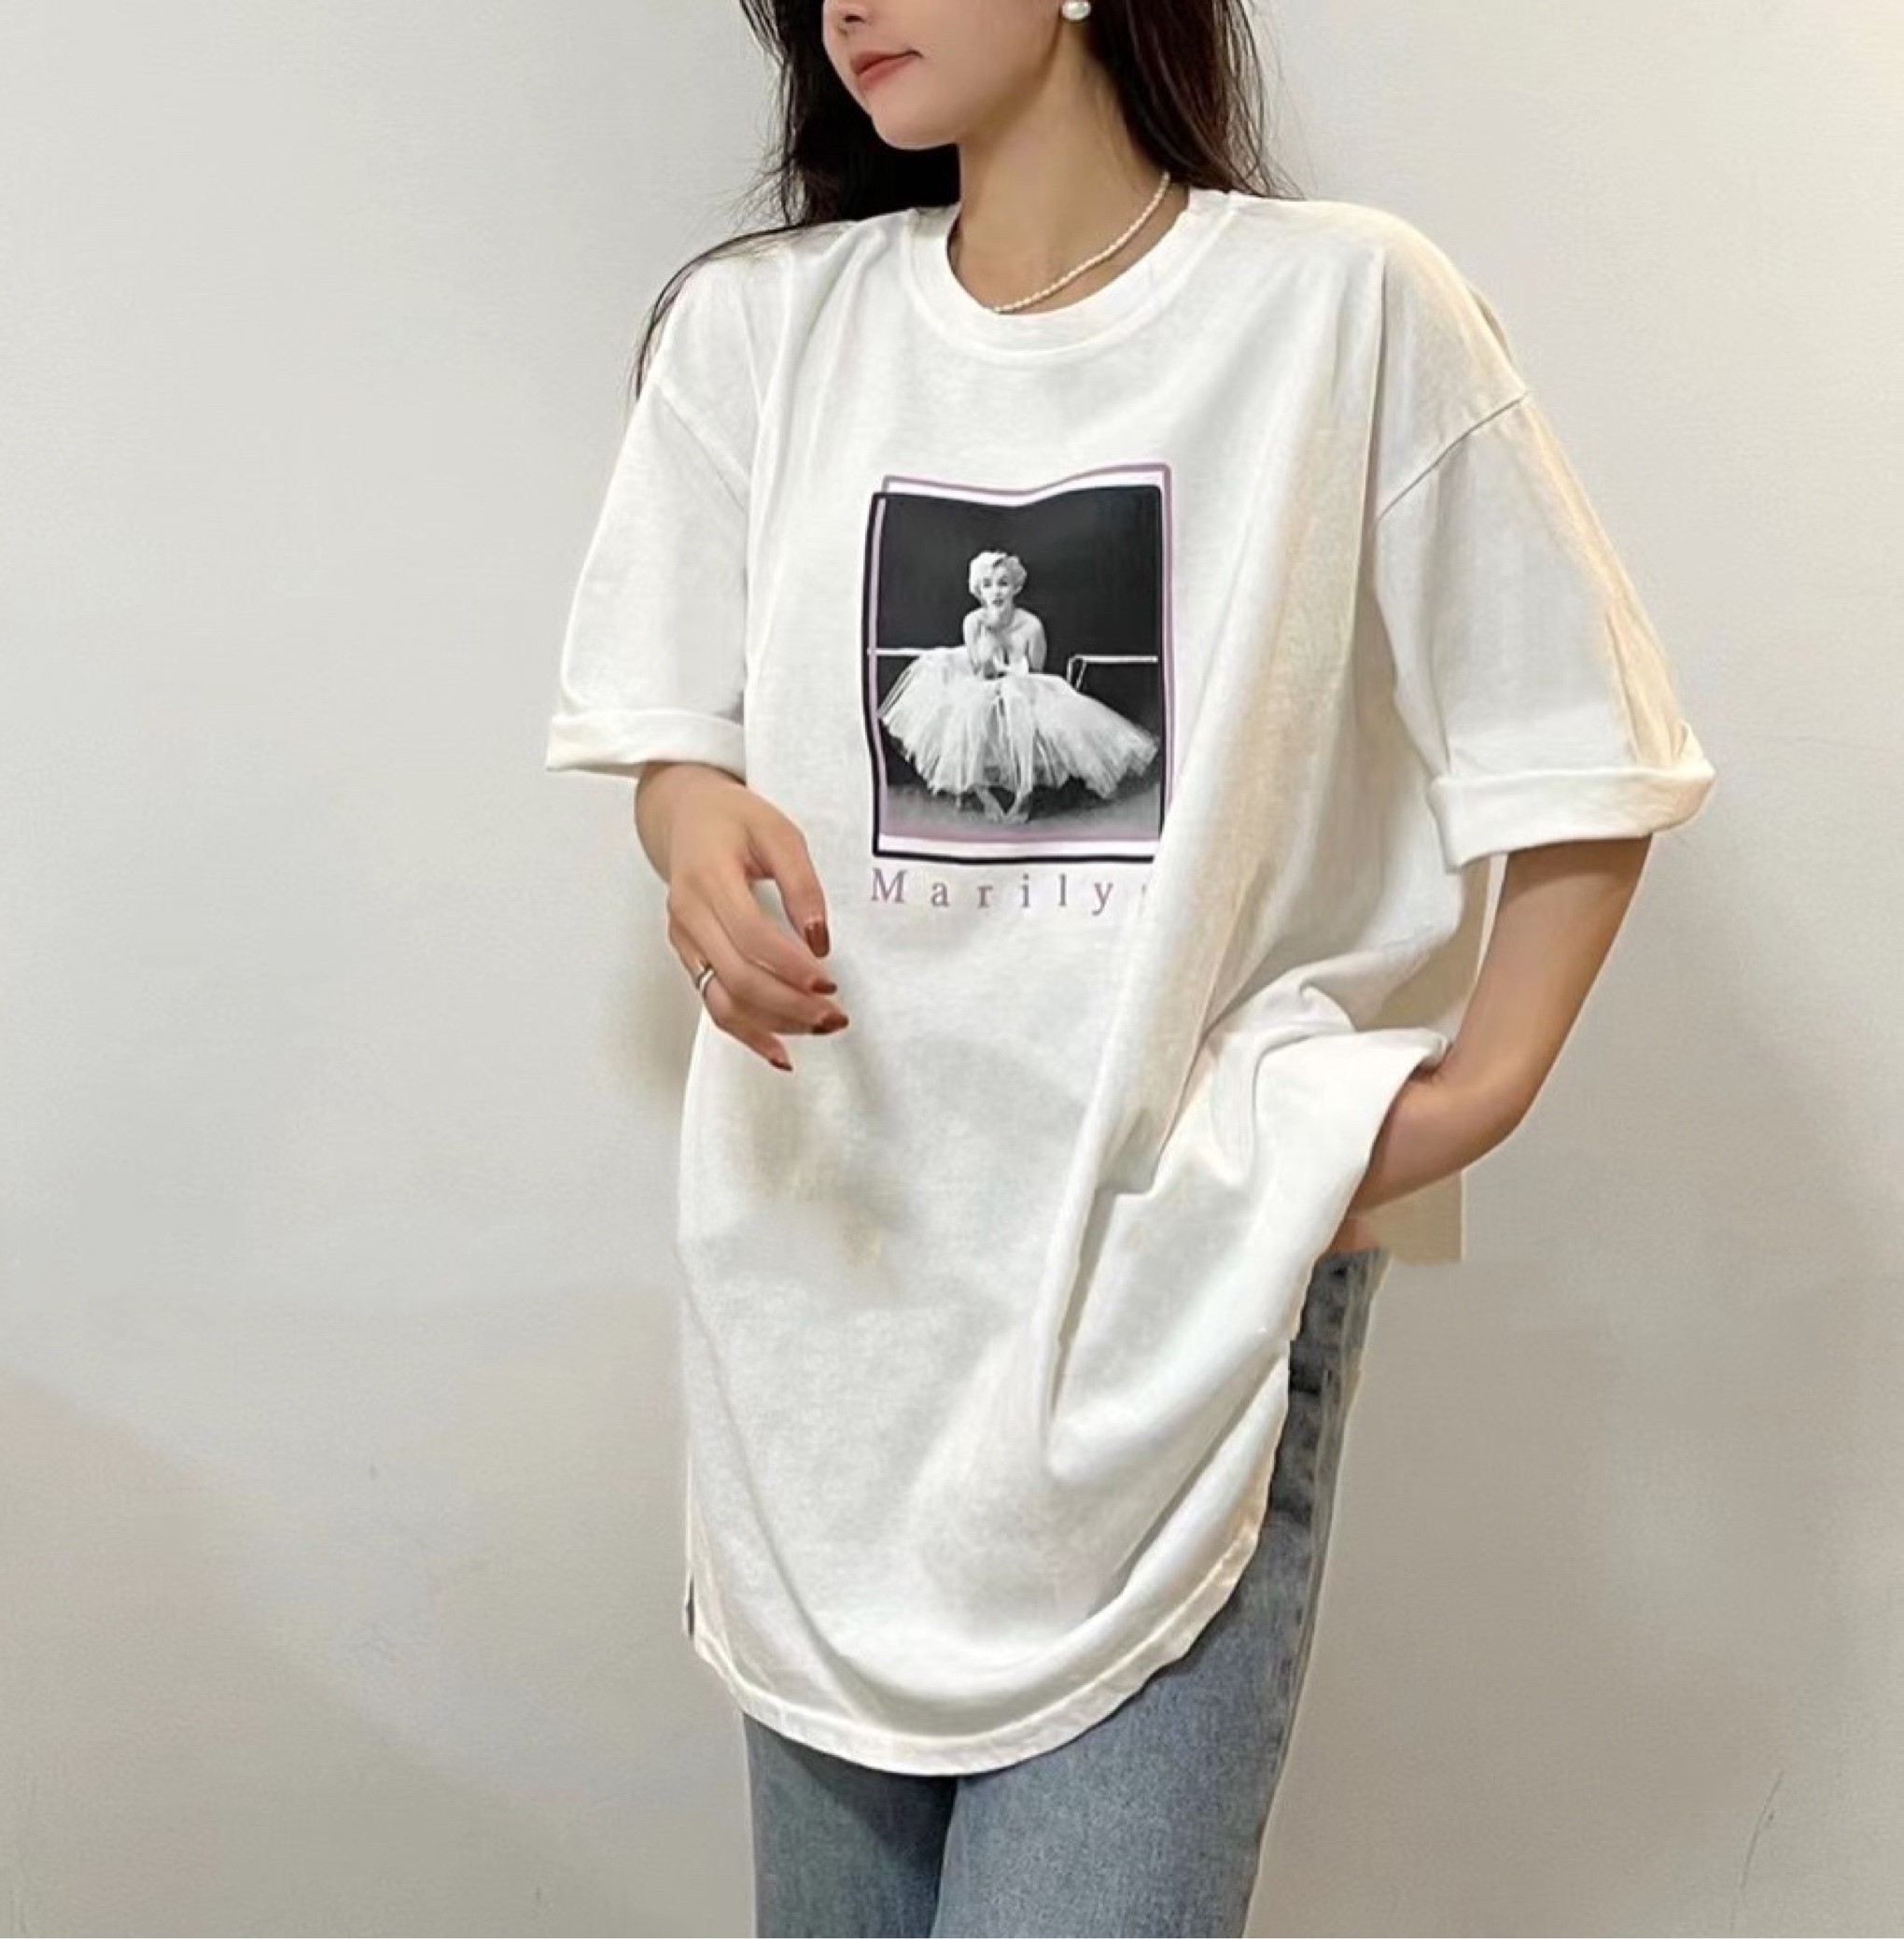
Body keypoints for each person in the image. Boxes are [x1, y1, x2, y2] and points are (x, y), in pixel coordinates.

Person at [544, 1, 1718, 1931]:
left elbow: (1580, 745)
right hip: (829, 1329)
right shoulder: (757, 332)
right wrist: (693, 831)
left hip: (1177, 1306)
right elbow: (672, 731)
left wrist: (1461, 1100)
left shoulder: (1342, 312)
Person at [878, 546, 1160, 822]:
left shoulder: (1032, 626)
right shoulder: (973, 622)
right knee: (973, 708)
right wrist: (989, 639)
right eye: (987, 585)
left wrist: (1012, 675)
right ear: (978, 591)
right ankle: (981, 792)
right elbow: (981, 671)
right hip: (983, 682)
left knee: (1019, 701)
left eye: (1003, 583)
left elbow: (1036, 672)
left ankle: (1024, 793)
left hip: (1024, 686)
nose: (996, 592)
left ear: (1015, 587)